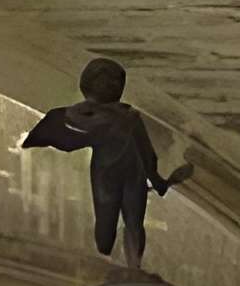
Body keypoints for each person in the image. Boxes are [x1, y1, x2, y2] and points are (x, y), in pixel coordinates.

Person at [22, 57, 180, 269]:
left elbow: (146, 152)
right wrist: (157, 180)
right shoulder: (109, 116)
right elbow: (146, 154)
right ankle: (126, 264)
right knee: (119, 229)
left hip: (119, 174)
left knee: (121, 223)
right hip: (119, 175)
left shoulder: (95, 116)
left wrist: (155, 178)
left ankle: (127, 265)